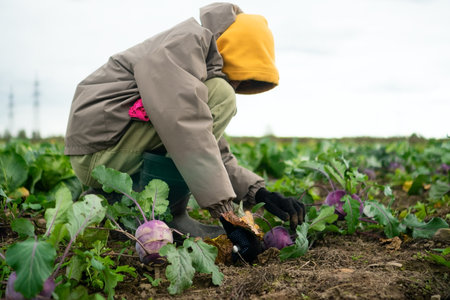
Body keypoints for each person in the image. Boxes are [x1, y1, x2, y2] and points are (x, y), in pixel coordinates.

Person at [65, 2, 305, 261]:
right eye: (238, 75)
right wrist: (227, 216)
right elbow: (185, 129)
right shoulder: (186, 44)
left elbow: (210, 147)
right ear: (231, 51)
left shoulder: (193, 59)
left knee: (208, 114)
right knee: (220, 97)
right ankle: (164, 216)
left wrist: (259, 192)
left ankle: (108, 200)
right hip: (101, 151)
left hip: (109, 148)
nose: (235, 84)